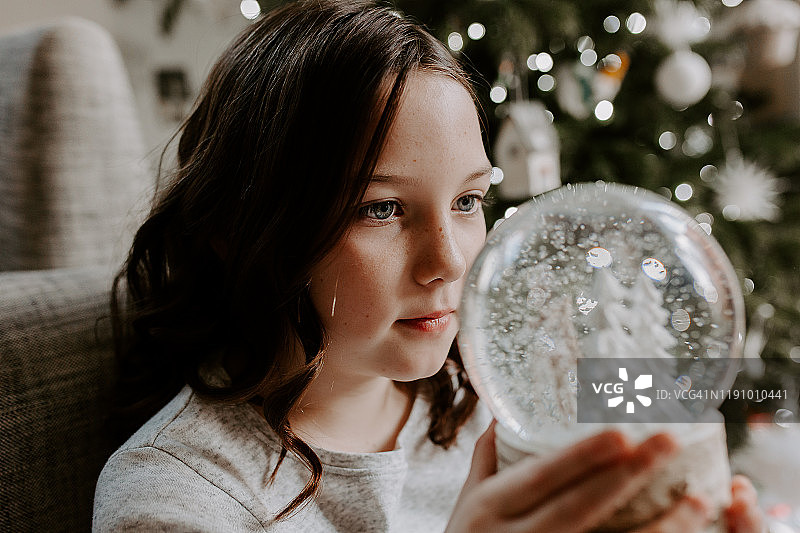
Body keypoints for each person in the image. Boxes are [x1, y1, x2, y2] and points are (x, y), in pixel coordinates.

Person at [93, 1, 765, 531]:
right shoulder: (178, 497)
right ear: (238, 230)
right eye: (381, 209)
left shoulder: (500, 389)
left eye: (469, 199)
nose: (449, 261)